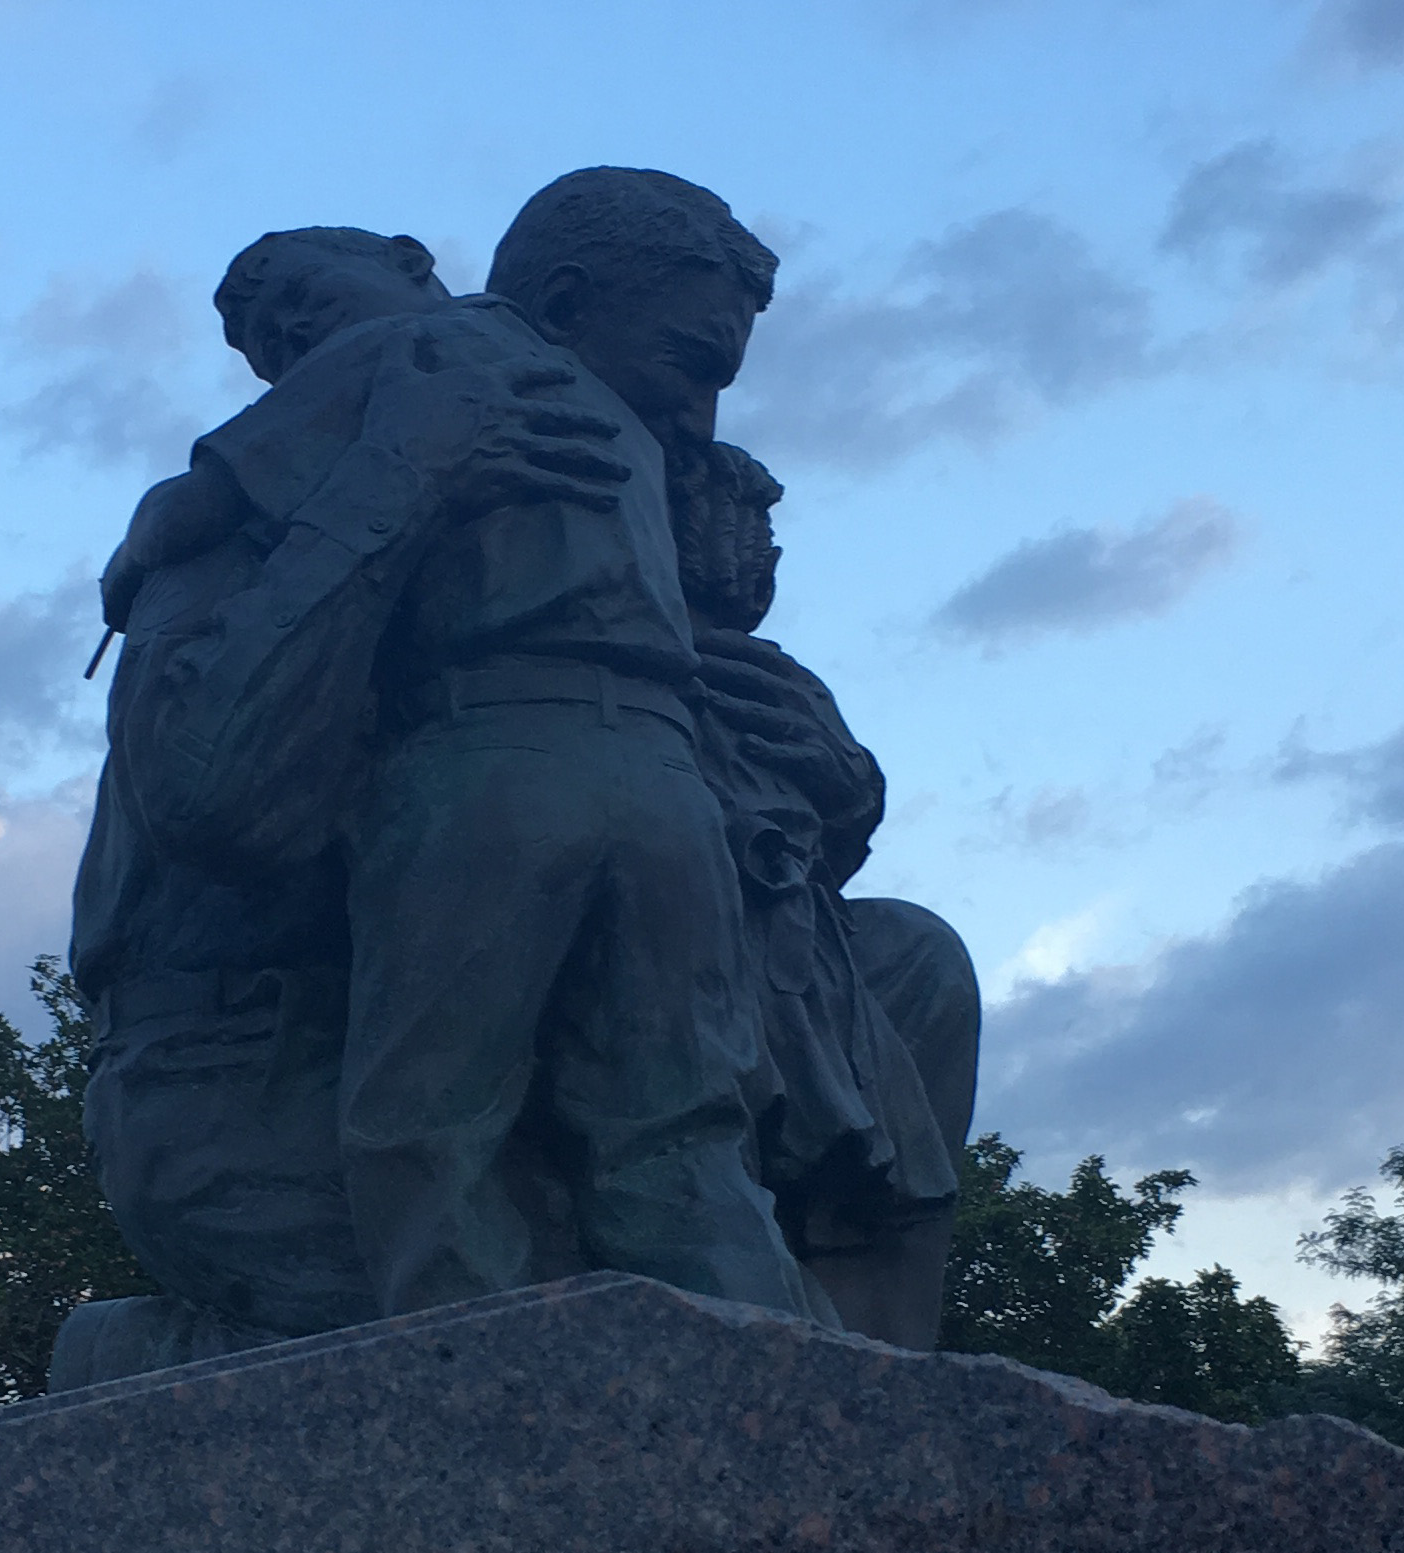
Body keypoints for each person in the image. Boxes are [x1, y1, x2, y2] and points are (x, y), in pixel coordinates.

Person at [55, 227, 624, 1382]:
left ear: (419, 265)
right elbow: (218, 803)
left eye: (308, 299)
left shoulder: (539, 509)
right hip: (238, 1076)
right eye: (270, 345)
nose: (290, 339)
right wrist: (399, 487)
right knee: (534, 1345)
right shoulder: (243, 543)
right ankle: (138, 1376)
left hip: (476, 1044)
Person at [674, 439, 980, 1348]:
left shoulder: (779, 676)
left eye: (765, 534)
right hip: (662, 904)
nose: (754, 553)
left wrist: (850, 786)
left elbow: (820, 842)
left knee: (920, 955)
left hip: (787, 925)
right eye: (730, 525)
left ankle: (880, 1343)